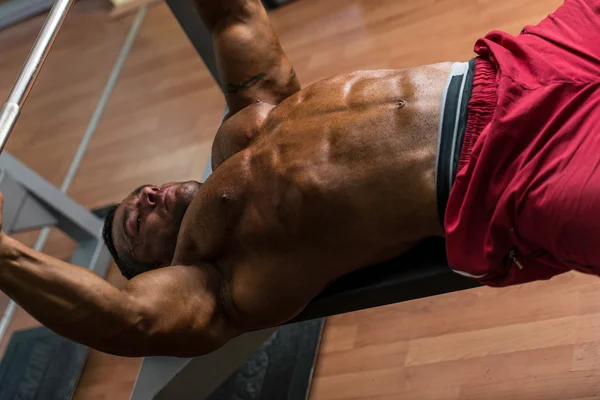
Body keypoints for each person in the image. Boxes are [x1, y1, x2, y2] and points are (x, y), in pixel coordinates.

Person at [0, 0, 598, 357]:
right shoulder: (224, 286)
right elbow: (123, 316)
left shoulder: (252, 118)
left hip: (520, 65)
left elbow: (233, 14)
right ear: (160, 270)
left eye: (142, 192)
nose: (148, 196)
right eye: (138, 221)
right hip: (511, 178)